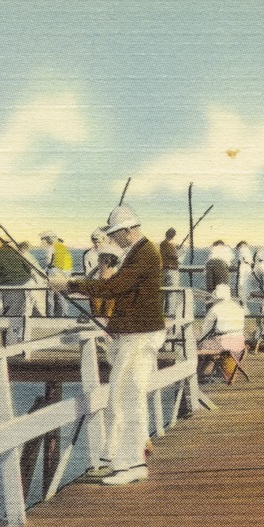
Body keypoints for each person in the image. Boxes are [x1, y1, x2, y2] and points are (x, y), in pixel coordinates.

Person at [55, 204, 164, 486]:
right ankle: (130, 463)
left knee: (124, 398)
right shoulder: (140, 251)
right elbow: (119, 287)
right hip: (135, 333)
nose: (113, 240)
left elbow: (114, 287)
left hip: (139, 336)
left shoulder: (145, 253)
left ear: (128, 230)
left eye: (116, 235)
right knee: (129, 398)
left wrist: (69, 286)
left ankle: (130, 464)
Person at [0, 236, 32, 344]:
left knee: (10, 316)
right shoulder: (16, 253)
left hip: (9, 288)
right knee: (23, 314)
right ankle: (22, 341)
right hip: (25, 285)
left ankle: (10, 345)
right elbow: (28, 268)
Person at [199, 283, 248, 376]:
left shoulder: (215, 309)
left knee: (202, 346)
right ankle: (213, 369)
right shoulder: (238, 307)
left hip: (224, 345)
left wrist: (199, 340)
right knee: (212, 345)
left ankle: (204, 372)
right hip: (239, 344)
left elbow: (204, 329)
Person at [82, 228, 121, 318]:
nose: (97, 244)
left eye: (99, 241)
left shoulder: (111, 252)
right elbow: (87, 273)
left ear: (103, 240)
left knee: (109, 311)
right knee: (97, 312)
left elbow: (116, 268)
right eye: (95, 241)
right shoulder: (88, 254)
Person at [39, 231, 72, 317]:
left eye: (45, 239)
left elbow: (48, 262)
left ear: (49, 239)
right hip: (65, 274)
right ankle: (64, 315)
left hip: (54, 273)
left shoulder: (51, 248)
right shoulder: (63, 248)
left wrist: (46, 269)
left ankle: (50, 316)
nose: (45, 241)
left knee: (50, 296)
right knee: (61, 296)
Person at [159, 228, 182, 318]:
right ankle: (170, 313)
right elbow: (175, 256)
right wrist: (180, 251)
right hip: (172, 271)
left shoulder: (163, 244)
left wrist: (176, 249)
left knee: (165, 292)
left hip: (165, 270)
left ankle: (164, 312)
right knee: (172, 292)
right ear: (173, 236)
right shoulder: (169, 245)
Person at [233, 240, 253, 305]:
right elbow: (249, 260)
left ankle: (241, 297)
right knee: (247, 282)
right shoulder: (247, 250)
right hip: (248, 266)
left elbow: (244, 259)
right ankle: (246, 295)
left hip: (244, 266)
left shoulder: (242, 249)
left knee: (241, 282)